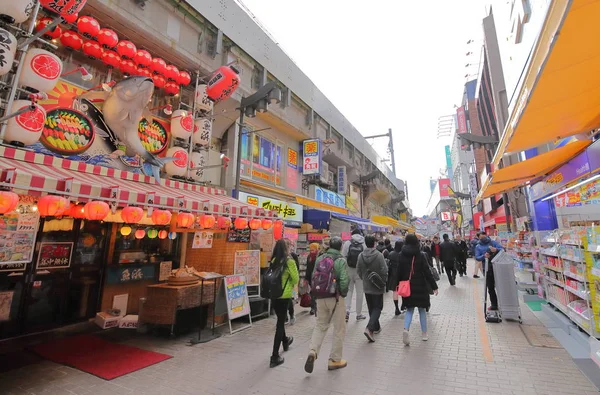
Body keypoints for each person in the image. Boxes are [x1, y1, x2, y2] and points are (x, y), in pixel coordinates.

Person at [304, 237, 349, 373]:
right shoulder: (340, 260)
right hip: (335, 298)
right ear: (340, 247)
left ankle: (313, 351)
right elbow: (344, 281)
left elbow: (313, 276)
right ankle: (335, 359)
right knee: (339, 328)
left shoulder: (320, 258)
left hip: (320, 296)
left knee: (320, 325)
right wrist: (342, 294)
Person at [397, 234, 438, 345]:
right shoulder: (420, 255)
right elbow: (427, 272)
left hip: (407, 287)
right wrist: (434, 286)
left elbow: (398, 272)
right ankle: (424, 334)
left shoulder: (401, 255)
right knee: (422, 310)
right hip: (420, 286)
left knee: (409, 310)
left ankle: (406, 329)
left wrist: (396, 285)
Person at [269, 239, 299, 368]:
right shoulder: (289, 262)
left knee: (280, 319)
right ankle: (274, 356)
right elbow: (296, 278)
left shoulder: (274, 260)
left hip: (274, 295)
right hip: (284, 295)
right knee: (280, 324)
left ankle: (285, 341)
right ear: (286, 249)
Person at [357, 235, 388, 342]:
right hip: (378, 286)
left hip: (367, 286)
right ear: (374, 243)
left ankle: (376, 327)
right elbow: (384, 270)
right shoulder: (379, 255)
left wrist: (364, 279)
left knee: (371, 308)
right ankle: (369, 328)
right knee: (378, 307)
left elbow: (358, 270)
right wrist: (383, 281)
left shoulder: (360, 256)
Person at [341, 229, 367, 322]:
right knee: (360, 292)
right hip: (360, 271)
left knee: (349, 291)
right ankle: (358, 314)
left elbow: (343, 256)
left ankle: (347, 311)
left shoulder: (347, 243)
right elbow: (365, 258)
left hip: (349, 269)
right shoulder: (364, 244)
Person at [475, 233, 504, 310]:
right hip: (487, 268)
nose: (483, 239)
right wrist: (484, 256)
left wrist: (496, 250)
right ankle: (494, 304)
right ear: (479, 238)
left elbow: (503, 249)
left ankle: (505, 303)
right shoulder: (478, 246)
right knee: (490, 287)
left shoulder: (493, 243)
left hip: (497, 267)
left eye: (484, 237)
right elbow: (477, 257)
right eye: (481, 238)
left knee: (501, 286)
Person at [284, 239, 300, 325]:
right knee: (288, 300)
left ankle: (290, 315)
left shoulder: (293, 256)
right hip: (286, 283)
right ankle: (286, 316)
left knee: (290, 300)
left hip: (292, 283)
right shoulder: (279, 256)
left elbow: (297, 269)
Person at [387, 240, 404, 315]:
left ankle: (396, 308)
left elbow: (388, 265)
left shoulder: (391, 254)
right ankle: (403, 305)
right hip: (402, 275)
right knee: (404, 290)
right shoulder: (403, 254)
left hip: (393, 275)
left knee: (395, 291)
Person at [306, 243, 320, 315]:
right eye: (310, 250)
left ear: (317, 249)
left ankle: (318, 306)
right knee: (312, 293)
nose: (311, 251)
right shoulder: (309, 257)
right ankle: (313, 308)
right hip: (311, 278)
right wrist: (306, 279)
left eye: (313, 250)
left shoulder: (320, 257)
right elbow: (308, 269)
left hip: (319, 278)